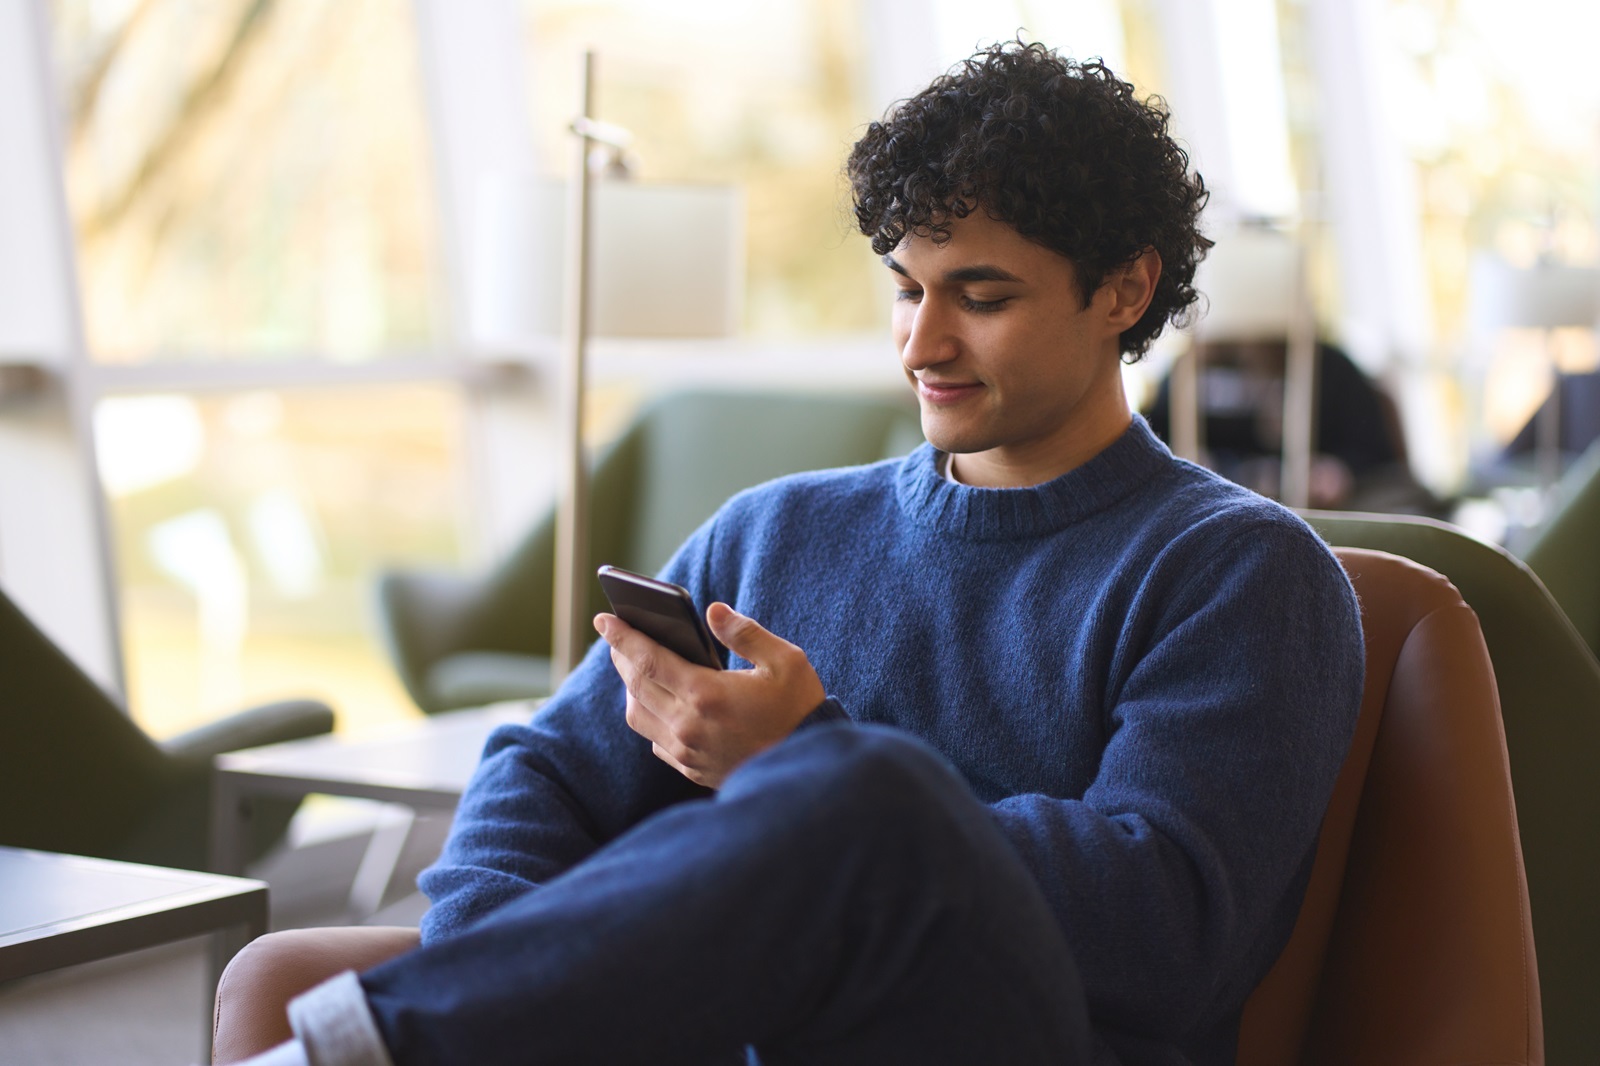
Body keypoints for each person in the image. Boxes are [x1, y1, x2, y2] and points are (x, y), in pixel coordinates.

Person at [239, 40, 1364, 1066]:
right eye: (906, 289)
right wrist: (505, 983)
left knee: (869, 793)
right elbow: (542, 772)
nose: (923, 343)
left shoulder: (1242, 574)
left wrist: (801, 758)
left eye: (980, 296)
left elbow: (1167, 937)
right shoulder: (775, 529)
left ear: (1125, 287)